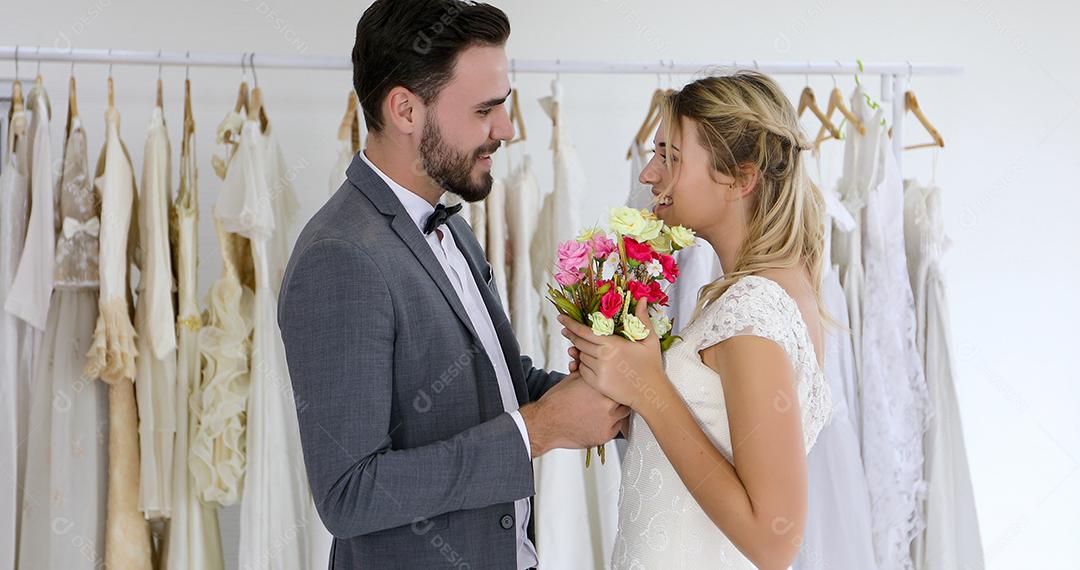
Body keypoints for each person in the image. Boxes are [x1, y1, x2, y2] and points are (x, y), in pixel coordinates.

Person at [277, 1, 627, 568]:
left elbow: (494, 383)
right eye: (486, 110)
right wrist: (535, 433)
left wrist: (619, 388)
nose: (508, 130)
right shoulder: (340, 256)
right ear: (405, 110)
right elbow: (349, 493)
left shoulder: (451, 226)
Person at [561, 71, 834, 570]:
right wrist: (622, 395)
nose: (647, 175)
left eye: (670, 156)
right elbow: (711, 442)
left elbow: (774, 542)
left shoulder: (752, 310)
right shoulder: (765, 293)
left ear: (740, 178)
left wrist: (648, 389)